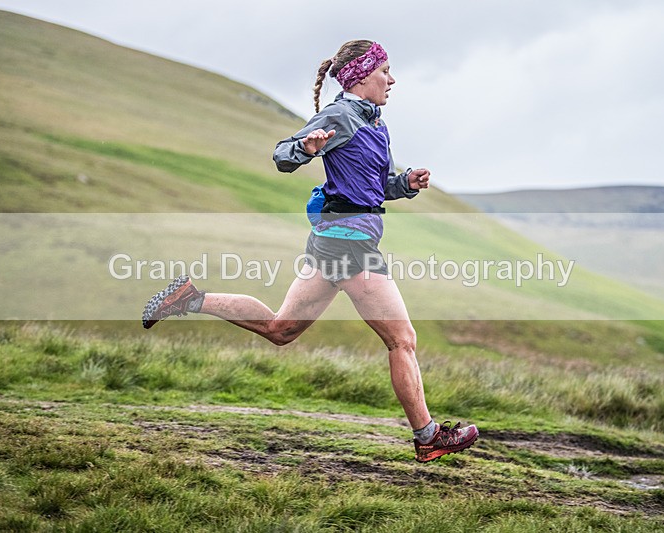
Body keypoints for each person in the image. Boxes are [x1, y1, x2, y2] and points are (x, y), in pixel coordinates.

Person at [142, 40, 478, 463]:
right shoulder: (338, 115)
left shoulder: (374, 123)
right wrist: (305, 149)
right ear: (360, 74)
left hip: (337, 240)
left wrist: (405, 183)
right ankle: (427, 436)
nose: (392, 80)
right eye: (385, 71)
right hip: (347, 244)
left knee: (281, 330)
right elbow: (283, 153)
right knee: (402, 340)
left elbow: (376, 188)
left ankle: (189, 298)